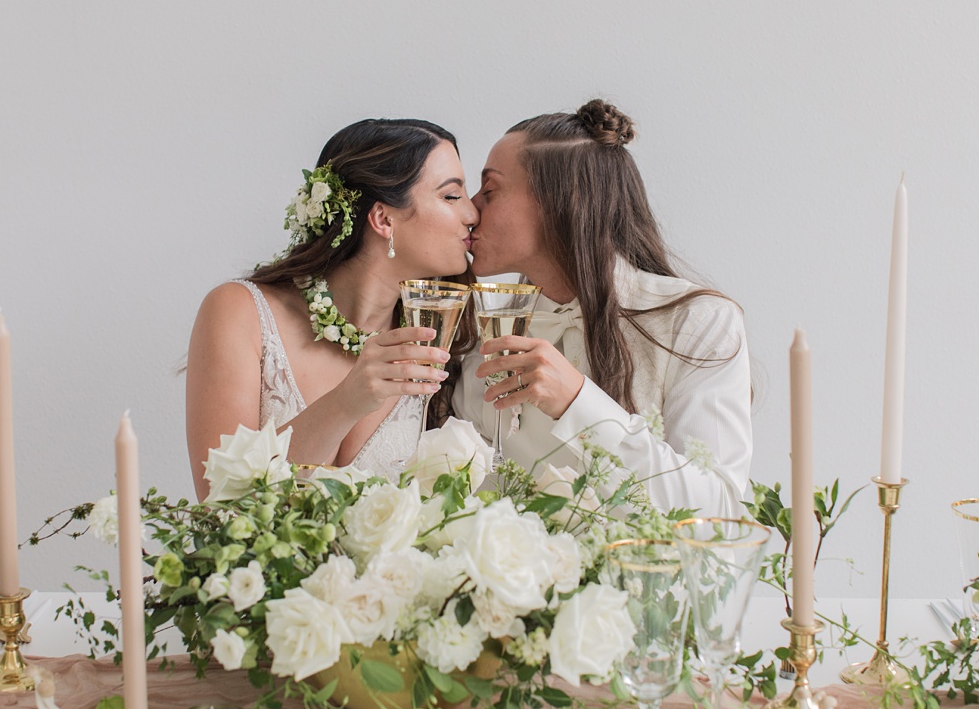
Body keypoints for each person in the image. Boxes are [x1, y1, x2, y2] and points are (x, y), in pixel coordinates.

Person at [453, 100, 752, 516]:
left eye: (490, 190)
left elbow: (716, 510)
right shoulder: (485, 325)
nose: (469, 210)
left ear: (561, 201)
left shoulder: (698, 321)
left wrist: (577, 402)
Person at [187, 118, 479, 499]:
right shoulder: (240, 312)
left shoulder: (444, 333)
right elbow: (220, 503)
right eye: (452, 197)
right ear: (383, 218)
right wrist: (348, 401)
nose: (472, 214)